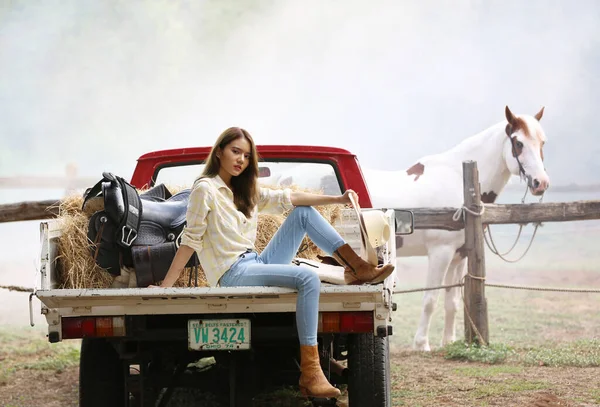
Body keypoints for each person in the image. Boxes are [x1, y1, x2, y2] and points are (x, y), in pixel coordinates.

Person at [149, 127, 395, 398]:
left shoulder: (245, 189)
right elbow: (190, 241)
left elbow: (289, 198)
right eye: (235, 151)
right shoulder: (205, 189)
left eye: (246, 155)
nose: (241, 159)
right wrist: (165, 286)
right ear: (219, 151)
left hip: (254, 262)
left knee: (303, 213)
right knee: (307, 279)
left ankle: (358, 266)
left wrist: (337, 198)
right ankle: (311, 372)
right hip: (232, 273)